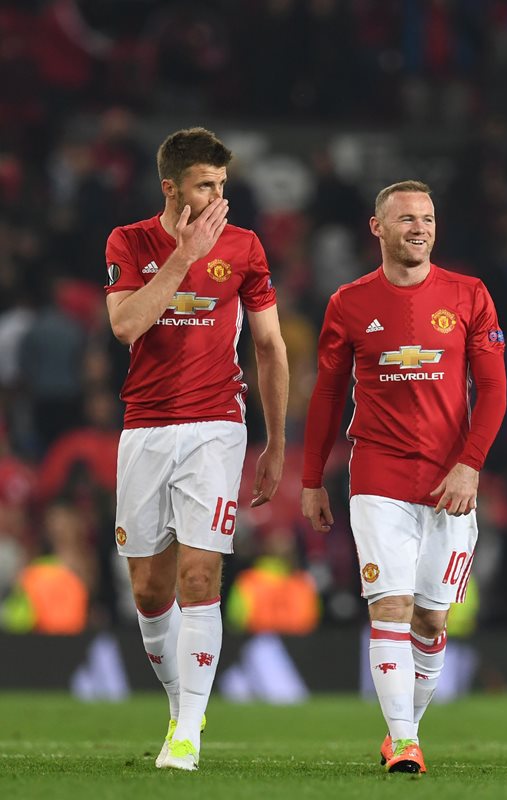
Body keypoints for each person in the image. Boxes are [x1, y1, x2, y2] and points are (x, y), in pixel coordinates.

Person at [300, 180, 507, 775]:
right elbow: (329, 394)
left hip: (451, 480)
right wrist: (312, 477)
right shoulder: (348, 302)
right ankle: (405, 742)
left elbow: (493, 390)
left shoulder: (469, 294)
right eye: (407, 218)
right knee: (388, 605)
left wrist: (469, 465)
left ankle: (405, 730)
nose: (419, 227)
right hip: (378, 474)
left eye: (428, 217)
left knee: (432, 619)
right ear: (378, 228)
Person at [104, 127, 289, 770]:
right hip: (145, 427)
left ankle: (186, 733)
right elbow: (126, 324)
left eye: (222, 185)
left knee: (198, 575)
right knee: (151, 591)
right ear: (171, 188)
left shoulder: (244, 247)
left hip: (217, 427)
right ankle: (186, 700)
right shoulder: (129, 242)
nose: (217, 198)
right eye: (205, 185)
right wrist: (183, 259)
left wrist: (274, 442)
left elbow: (269, 345)